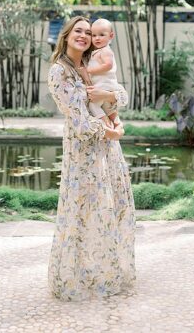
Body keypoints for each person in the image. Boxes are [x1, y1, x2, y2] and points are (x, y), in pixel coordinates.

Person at [46, 16, 136, 301]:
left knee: (109, 209)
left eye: (88, 32)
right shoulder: (59, 72)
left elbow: (121, 94)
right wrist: (111, 131)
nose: (84, 36)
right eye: (79, 31)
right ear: (68, 34)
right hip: (83, 153)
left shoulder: (93, 62)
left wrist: (113, 110)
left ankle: (105, 271)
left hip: (108, 150)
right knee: (83, 212)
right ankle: (76, 275)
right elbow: (80, 121)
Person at [77, 18, 122, 129]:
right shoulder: (98, 51)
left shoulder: (105, 51)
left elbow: (108, 65)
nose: (97, 38)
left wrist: (88, 70)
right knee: (108, 108)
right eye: (94, 35)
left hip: (104, 86)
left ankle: (105, 121)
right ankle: (115, 123)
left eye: (101, 35)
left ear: (111, 36)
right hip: (104, 86)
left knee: (93, 104)